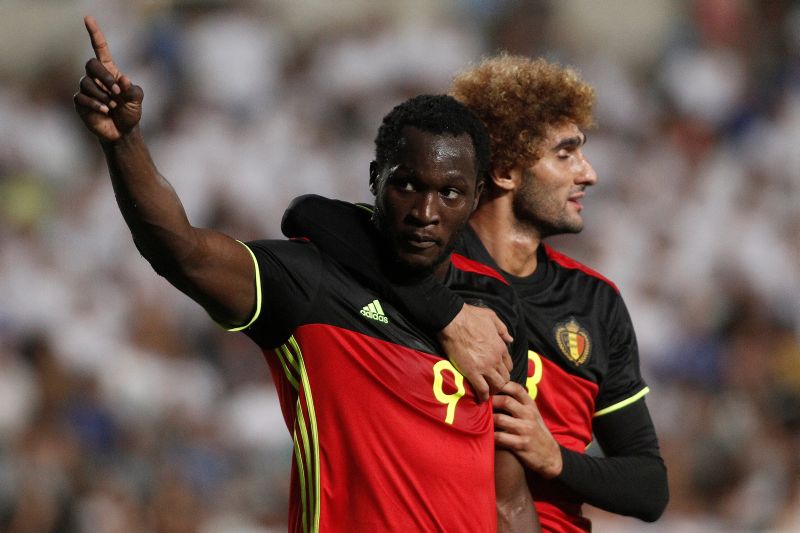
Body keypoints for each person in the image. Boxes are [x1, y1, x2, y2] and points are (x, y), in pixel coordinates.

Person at [73, 17, 540, 532]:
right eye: (407, 185)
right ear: (375, 180)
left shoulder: (494, 310)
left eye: (449, 193)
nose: (425, 211)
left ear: (476, 198)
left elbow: (509, 499)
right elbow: (180, 250)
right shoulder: (312, 283)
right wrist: (125, 144)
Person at [282, 54, 669, 532]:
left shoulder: (596, 300)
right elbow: (309, 214)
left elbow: (650, 487)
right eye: (565, 154)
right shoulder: (426, 255)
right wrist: (448, 313)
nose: (588, 173)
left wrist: (555, 459)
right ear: (504, 171)